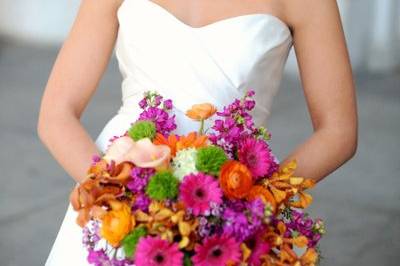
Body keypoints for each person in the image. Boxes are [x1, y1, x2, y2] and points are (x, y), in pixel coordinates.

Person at [38, 0, 358, 265]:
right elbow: (56, 114)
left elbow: (338, 132)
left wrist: (252, 204)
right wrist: (116, 197)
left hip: (226, 209)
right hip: (119, 188)